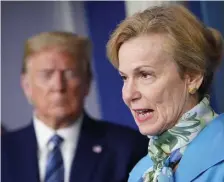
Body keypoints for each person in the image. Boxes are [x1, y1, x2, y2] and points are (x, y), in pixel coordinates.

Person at [1, 31, 148, 182]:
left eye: (70, 74)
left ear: (87, 82)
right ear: (26, 85)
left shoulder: (128, 148)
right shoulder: (3, 151)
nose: (58, 86)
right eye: (46, 74)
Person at [106, 4, 224, 182]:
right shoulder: (140, 173)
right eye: (124, 77)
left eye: (145, 75)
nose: (128, 94)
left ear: (192, 77)